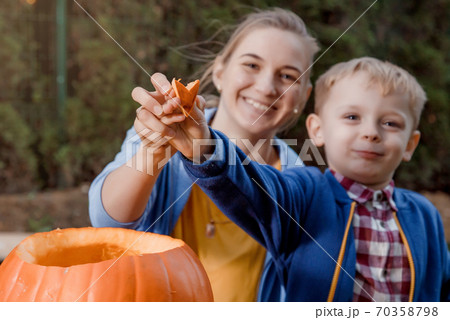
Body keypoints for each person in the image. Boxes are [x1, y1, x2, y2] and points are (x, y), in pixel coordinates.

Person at [153, 57, 450, 301]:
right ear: (317, 130)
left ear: (410, 144)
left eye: (390, 123)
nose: (371, 132)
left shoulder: (424, 216)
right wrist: (205, 147)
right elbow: (250, 187)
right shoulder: (304, 194)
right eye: (352, 117)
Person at [89, 8, 320, 302]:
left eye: (288, 76)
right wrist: (153, 152)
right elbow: (107, 223)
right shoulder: (160, 132)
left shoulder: (298, 181)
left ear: (304, 96)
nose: (266, 87)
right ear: (220, 72)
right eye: (251, 65)